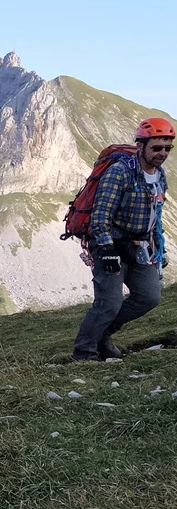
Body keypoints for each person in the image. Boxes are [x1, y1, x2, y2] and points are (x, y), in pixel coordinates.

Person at [73, 117, 172, 361]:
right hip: (111, 244)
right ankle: (83, 355)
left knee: (149, 296)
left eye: (168, 148)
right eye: (156, 147)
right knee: (109, 303)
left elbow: (155, 217)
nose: (162, 153)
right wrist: (106, 249)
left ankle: (103, 335)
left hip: (141, 246)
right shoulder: (120, 172)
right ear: (141, 146)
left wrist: (160, 249)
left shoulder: (159, 177)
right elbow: (101, 215)